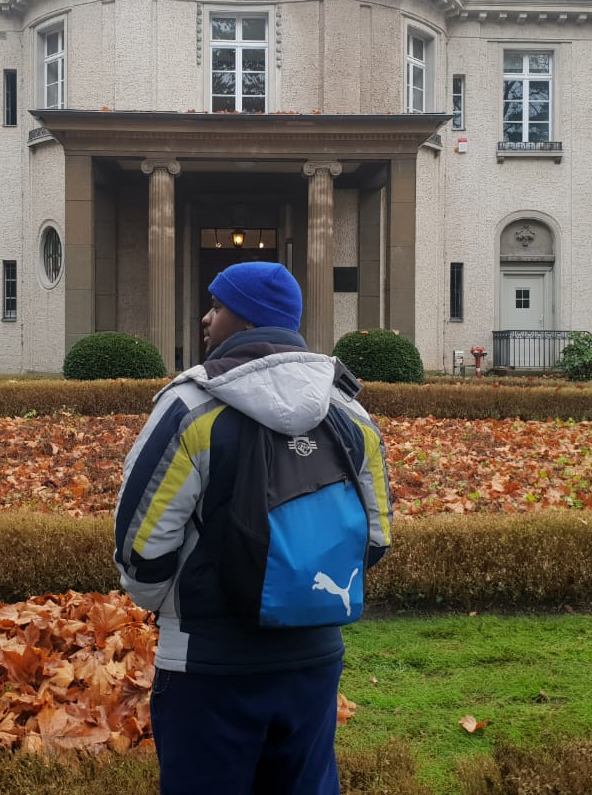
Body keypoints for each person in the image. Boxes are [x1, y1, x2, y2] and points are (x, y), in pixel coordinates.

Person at [114, 261, 392, 795]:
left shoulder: (190, 406)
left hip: (206, 661)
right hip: (314, 658)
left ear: (245, 322)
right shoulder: (350, 411)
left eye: (217, 307)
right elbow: (374, 539)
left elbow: (141, 549)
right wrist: (306, 590)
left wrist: (174, 604)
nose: (204, 317)